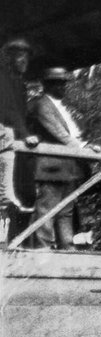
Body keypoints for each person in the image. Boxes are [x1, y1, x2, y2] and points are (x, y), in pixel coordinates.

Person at [28, 66, 92, 250]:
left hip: (68, 168)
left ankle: (68, 248)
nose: (63, 88)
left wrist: (84, 147)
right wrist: (83, 149)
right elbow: (59, 134)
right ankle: (42, 250)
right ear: (47, 85)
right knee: (47, 210)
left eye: (64, 84)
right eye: (58, 84)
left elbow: (71, 134)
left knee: (66, 212)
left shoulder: (60, 107)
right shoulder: (41, 104)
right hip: (51, 167)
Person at [0, 36, 32, 241]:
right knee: (5, 193)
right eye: (20, 57)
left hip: (15, 143)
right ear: (9, 58)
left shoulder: (21, 85)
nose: (24, 62)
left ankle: (14, 240)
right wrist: (26, 134)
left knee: (23, 193)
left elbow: (21, 113)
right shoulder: (2, 79)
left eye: (26, 58)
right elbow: (8, 110)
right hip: (5, 139)